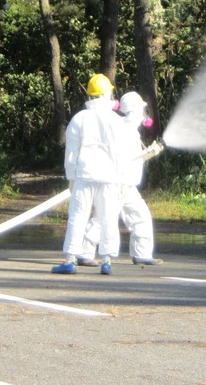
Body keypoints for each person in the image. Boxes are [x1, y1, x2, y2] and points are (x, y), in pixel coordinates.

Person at [52, 73, 124, 275]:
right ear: (107, 93)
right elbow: (122, 153)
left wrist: (71, 178)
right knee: (108, 218)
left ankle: (70, 260)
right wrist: (122, 180)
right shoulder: (116, 121)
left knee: (78, 216)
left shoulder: (79, 119)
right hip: (110, 177)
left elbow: (72, 153)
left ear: (91, 94)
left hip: (84, 175)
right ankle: (107, 261)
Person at [77, 91, 160, 267]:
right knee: (102, 218)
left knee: (140, 216)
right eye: (140, 111)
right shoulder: (120, 129)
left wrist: (147, 153)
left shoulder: (130, 131)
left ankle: (142, 253)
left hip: (127, 185)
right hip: (114, 184)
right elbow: (123, 159)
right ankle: (84, 252)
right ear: (133, 111)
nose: (143, 115)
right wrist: (146, 154)